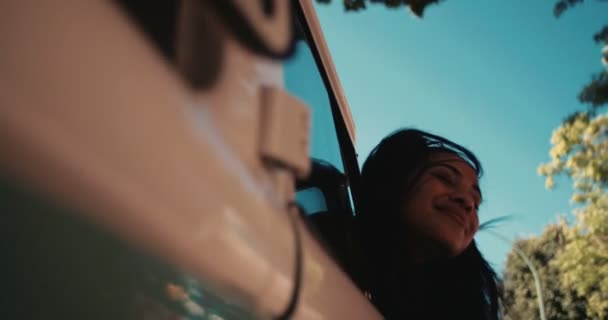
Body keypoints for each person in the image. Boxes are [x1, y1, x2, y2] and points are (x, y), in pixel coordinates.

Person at [352, 128, 501, 319]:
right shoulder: (328, 240)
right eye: (445, 177)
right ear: (395, 180)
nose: (467, 201)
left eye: (476, 202)